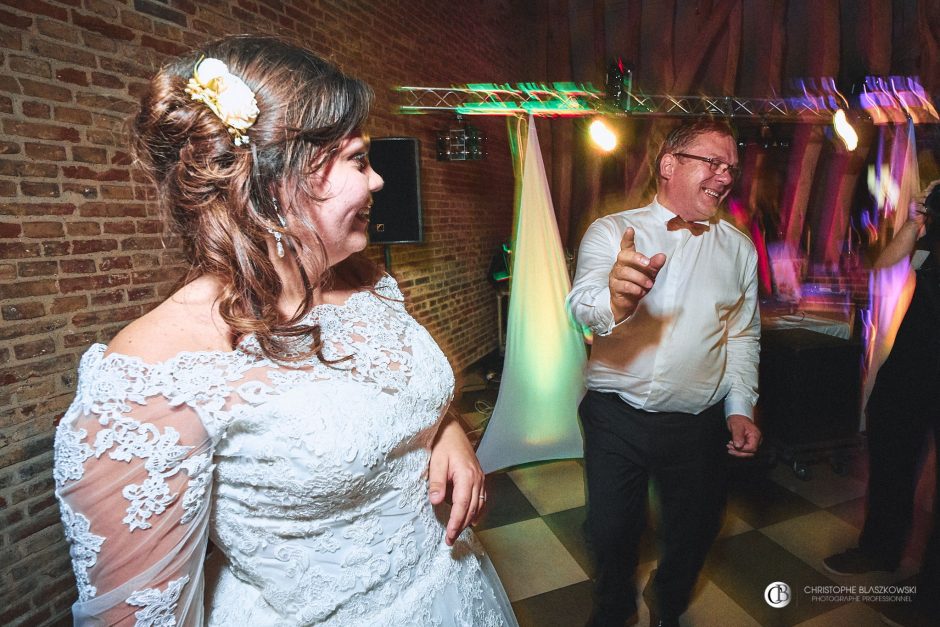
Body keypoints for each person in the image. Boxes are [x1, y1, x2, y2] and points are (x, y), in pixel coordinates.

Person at [53, 35, 516, 626]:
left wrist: (445, 430)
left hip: (450, 587)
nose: (376, 182)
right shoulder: (156, 374)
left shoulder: (365, 281)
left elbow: (397, 393)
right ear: (274, 180)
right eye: (356, 159)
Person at [567, 119, 762, 627]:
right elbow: (583, 304)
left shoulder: (739, 249)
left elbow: (742, 335)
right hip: (616, 416)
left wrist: (740, 407)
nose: (724, 177)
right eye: (713, 163)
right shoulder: (613, 231)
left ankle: (668, 604)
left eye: (731, 168)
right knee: (610, 531)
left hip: (698, 421)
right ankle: (613, 609)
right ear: (669, 165)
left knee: (696, 530)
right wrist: (615, 297)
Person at [824, 180, 940, 627]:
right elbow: (886, 264)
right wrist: (917, 220)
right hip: (914, 363)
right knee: (889, 447)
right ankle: (880, 549)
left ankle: (932, 594)